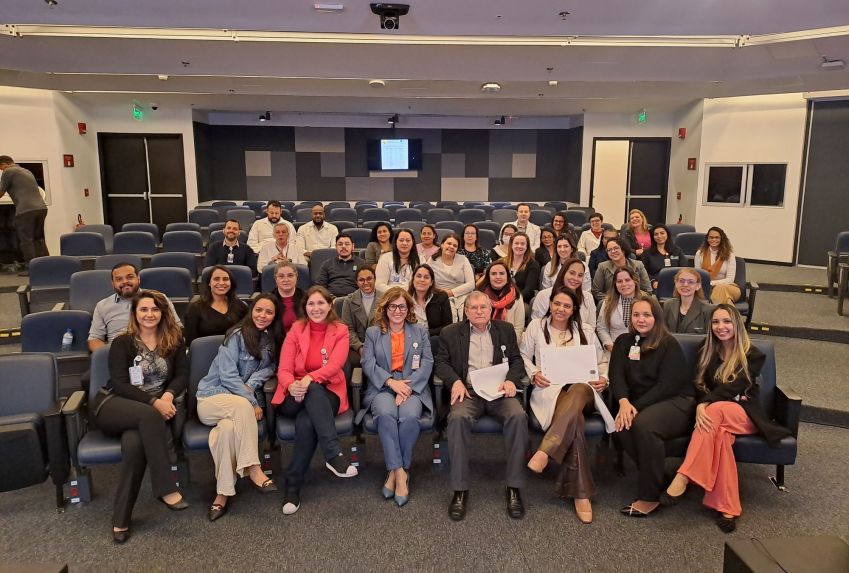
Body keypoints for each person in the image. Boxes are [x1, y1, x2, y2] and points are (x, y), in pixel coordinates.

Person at [661, 305, 791, 532]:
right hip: (717, 419)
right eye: (716, 322)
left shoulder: (753, 354)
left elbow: (736, 386)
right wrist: (703, 401)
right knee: (720, 436)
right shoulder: (706, 350)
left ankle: (685, 475)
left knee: (716, 410)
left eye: (726, 321)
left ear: (736, 324)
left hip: (744, 414)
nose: (721, 327)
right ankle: (728, 506)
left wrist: (704, 404)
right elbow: (698, 384)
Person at [93, 290, 189, 543]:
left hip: (149, 413)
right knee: (149, 416)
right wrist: (155, 403)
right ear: (134, 313)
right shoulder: (122, 342)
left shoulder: (174, 340)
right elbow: (119, 383)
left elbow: (182, 375)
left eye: (155, 309)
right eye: (144, 309)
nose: (149, 314)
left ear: (163, 313)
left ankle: (120, 520)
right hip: (115, 405)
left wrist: (167, 396)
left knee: (134, 446)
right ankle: (166, 487)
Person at [435, 291, 529, 521]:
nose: (479, 311)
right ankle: (460, 490)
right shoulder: (450, 332)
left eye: (483, 307)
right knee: (457, 419)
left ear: (490, 310)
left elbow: (517, 361)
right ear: (466, 311)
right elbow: (441, 363)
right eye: (474, 308)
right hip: (469, 392)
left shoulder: (505, 330)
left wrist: (511, 380)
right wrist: (455, 382)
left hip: (499, 391)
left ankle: (514, 487)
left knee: (518, 416)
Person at [520, 288, 609, 524]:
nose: (561, 309)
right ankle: (581, 494)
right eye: (557, 304)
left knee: (578, 390)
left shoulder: (585, 330)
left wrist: (604, 377)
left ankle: (546, 450)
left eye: (567, 306)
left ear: (574, 309)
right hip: (551, 391)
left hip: (584, 391)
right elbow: (523, 356)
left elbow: (602, 361)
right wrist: (534, 373)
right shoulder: (536, 327)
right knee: (575, 422)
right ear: (550, 304)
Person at [196, 295, 284, 521]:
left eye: (269, 312)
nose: (262, 315)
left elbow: (270, 368)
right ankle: (253, 467)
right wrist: (252, 400)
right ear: (251, 311)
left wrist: (251, 384)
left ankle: (222, 493)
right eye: (259, 310)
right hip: (211, 397)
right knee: (243, 406)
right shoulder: (236, 336)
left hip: (234, 408)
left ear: (275, 316)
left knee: (226, 432)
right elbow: (227, 376)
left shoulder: (270, 340)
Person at [271, 286, 358, 515]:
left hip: (328, 391)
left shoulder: (340, 330)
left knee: (307, 420)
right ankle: (333, 454)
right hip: (293, 395)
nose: (316, 308)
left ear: (330, 305)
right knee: (311, 393)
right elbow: (284, 368)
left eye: (321, 303)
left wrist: (309, 379)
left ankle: (292, 485)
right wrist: (292, 385)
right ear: (305, 307)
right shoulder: (296, 329)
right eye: (311, 303)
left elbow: (335, 365)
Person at [610, 295, 695, 517]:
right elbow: (616, 375)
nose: (641, 319)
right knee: (621, 426)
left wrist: (634, 407)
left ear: (656, 317)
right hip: (638, 404)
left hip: (675, 401)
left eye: (647, 315)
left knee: (643, 425)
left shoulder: (668, 343)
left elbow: (667, 385)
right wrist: (623, 402)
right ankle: (660, 479)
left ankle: (649, 497)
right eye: (636, 315)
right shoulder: (623, 342)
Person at [360, 287, 434, 507]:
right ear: (385, 308)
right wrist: (391, 382)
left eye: (402, 306)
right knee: (386, 414)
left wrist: (407, 388)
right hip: (383, 386)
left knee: (410, 417)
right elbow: (368, 363)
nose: (397, 311)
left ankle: (394, 470)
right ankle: (401, 473)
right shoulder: (373, 333)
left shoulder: (420, 331)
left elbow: (427, 362)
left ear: (408, 308)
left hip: (412, 385)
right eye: (393, 306)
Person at [88, 262, 182, 351]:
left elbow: (176, 328)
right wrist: (113, 355)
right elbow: (94, 339)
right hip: (118, 353)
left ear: (138, 279)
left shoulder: (159, 298)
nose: (125, 281)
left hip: (157, 351)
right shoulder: (102, 306)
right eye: (119, 279)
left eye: (130, 277)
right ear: (113, 284)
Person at [0, 156, 48, 275]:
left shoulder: (8, 171)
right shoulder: (26, 171)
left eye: (0, 167)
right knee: (39, 239)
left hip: (26, 210)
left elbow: (1, 192)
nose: (1, 170)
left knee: (26, 240)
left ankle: (32, 269)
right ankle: (46, 265)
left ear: (4, 164)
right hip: (41, 208)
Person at [184, 265, 248, 346]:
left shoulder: (240, 306)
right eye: (216, 279)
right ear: (209, 283)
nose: (221, 283)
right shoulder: (195, 308)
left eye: (225, 279)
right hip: (206, 352)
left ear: (231, 282)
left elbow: (247, 333)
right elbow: (190, 342)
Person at [532, 258, 595, 339]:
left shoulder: (588, 298)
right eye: (572, 273)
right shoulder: (543, 296)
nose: (575, 278)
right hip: (547, 340)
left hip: (579, 341)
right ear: (563, 273)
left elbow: (591, 327)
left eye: (580, 275)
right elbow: (537, 327)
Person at [597, 267, 649, 355]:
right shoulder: (608, 302)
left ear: (635, 281)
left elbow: (654, 328)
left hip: (642, 348)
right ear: (615, 284)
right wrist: (610, 346)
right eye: (619, 281)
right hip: (614, 349)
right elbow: (602, 328)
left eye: (627, 280)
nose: (624, 284)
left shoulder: (646, 301)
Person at [428, 233, 475, 320]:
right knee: (450, 317)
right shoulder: (432, 260)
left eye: (455, 245)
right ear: (442, 245)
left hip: (463, 294)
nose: (451, 247)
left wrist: (450, 292)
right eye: (449, 243)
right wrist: (441, 293)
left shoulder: (463, 259)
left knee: (465, 317)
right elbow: (427, 280)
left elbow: (471, 284)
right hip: (440, 296)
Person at [591, 237, 652, 302]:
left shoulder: (638, 265)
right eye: (609, 250)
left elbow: (648, 291)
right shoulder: (602, 267)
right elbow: (596, 291)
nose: (613, 251)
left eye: (616, 248)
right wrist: (613, 301)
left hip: (636, 302)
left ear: (623, 249)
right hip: (611, 302)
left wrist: (633, 300)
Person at [340, 266, 378, 369]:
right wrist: (360, 347)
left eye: (369, 279)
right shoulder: (349, 301)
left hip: (380, 345)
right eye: (361, 280)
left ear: (375, 279)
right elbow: (348, 329)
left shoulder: (385, 299)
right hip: (356, 347)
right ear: (356, 282)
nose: (366, 282)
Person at [478, 260, 525, 341]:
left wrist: (508, 346)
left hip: (508, 341)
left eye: (502, 273)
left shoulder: (516, 297)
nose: (498, 277)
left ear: (507, 277)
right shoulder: (479, 296)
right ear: (488, 277)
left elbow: (518, 329)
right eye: (493, 274)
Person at [695, 226, 740, 304]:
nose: (714, 240)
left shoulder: (729, 255)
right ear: (707, 239)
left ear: (721, 239)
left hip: (728, 287)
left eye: (717, 237)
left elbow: (730, 279)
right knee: (726, 300)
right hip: (706, 288)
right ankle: (729, 311)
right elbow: (697, 275)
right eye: (711, 237)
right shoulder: (700, 253)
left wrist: (712, 283)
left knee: (719, 289)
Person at [407, 264, 453, 337]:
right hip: (411, 336)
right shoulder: (406, 298)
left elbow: (448, 326)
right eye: (419, 276)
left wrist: (427, 333)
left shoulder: (442, 297)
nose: (422, 280)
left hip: (434, 338)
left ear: (431, 282)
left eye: (426, 277)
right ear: (413, 280)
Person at [662, 268, 714, 335]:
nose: (685, 285)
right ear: (676, 283)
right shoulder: (668, 305)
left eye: (691, 282)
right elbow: (662, 332)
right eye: (681, 281)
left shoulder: (708, 309)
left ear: (698, 286)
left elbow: (709, 337)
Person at [316, 233, 366, 298]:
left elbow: (365, 284)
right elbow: (320, 286)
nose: (343, 246)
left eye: (347, 244)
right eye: (340, 244)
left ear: (353, 246)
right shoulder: (327, 264)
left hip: (354, 299)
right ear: (336, 247)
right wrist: (330, 298)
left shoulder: (362, 264)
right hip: (331, 299)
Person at [375, 228, 420, 294]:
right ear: (396, 242)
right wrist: (397, 294)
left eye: (408, 240)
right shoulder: (385, 258)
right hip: (390, 296)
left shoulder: (420, 260)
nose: (404, 243)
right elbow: (379, 285)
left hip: (412, 295)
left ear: (412, 242)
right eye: (401, 240)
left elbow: (421, 284)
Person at [641, 224, 684, 289]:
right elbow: (643, 272)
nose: (659, 236)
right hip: (656, 285)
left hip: (676, 284)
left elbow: (684, 268)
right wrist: (653, 282)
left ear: (667, 234)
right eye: (656, 234)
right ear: (653, 237)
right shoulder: (647, 253)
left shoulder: (677, 251)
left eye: (662, 233)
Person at [505, 232, 541, 306]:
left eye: (522, 244)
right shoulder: (503, 262)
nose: (519, 246)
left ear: (527, 246)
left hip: (522, 301)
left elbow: (528, 290)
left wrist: (511, 300)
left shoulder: (533, 265)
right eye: (516, 243)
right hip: (502, 299)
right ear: (511, 245)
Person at [267, 261, 304, 332]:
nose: (286, 280)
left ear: (296, 277)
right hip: (276, 338)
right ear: (275, 279)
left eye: (290, 275)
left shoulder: (306, 298)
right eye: (281, 276)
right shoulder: (268, 300)